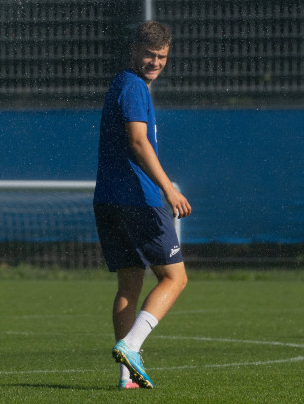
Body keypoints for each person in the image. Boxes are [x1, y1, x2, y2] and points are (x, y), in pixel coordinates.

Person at [93, 20, 192, 389]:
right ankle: (131, 346)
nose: (156, 62)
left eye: (162, 56)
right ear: (133, 50)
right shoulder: (134, 87)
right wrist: (168, 188)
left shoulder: (120, 82)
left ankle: (127, 376)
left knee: (129, 284)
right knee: (175, 278)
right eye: (149, 54)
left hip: (108, 199)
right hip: (138, 199)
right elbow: (138, 141)